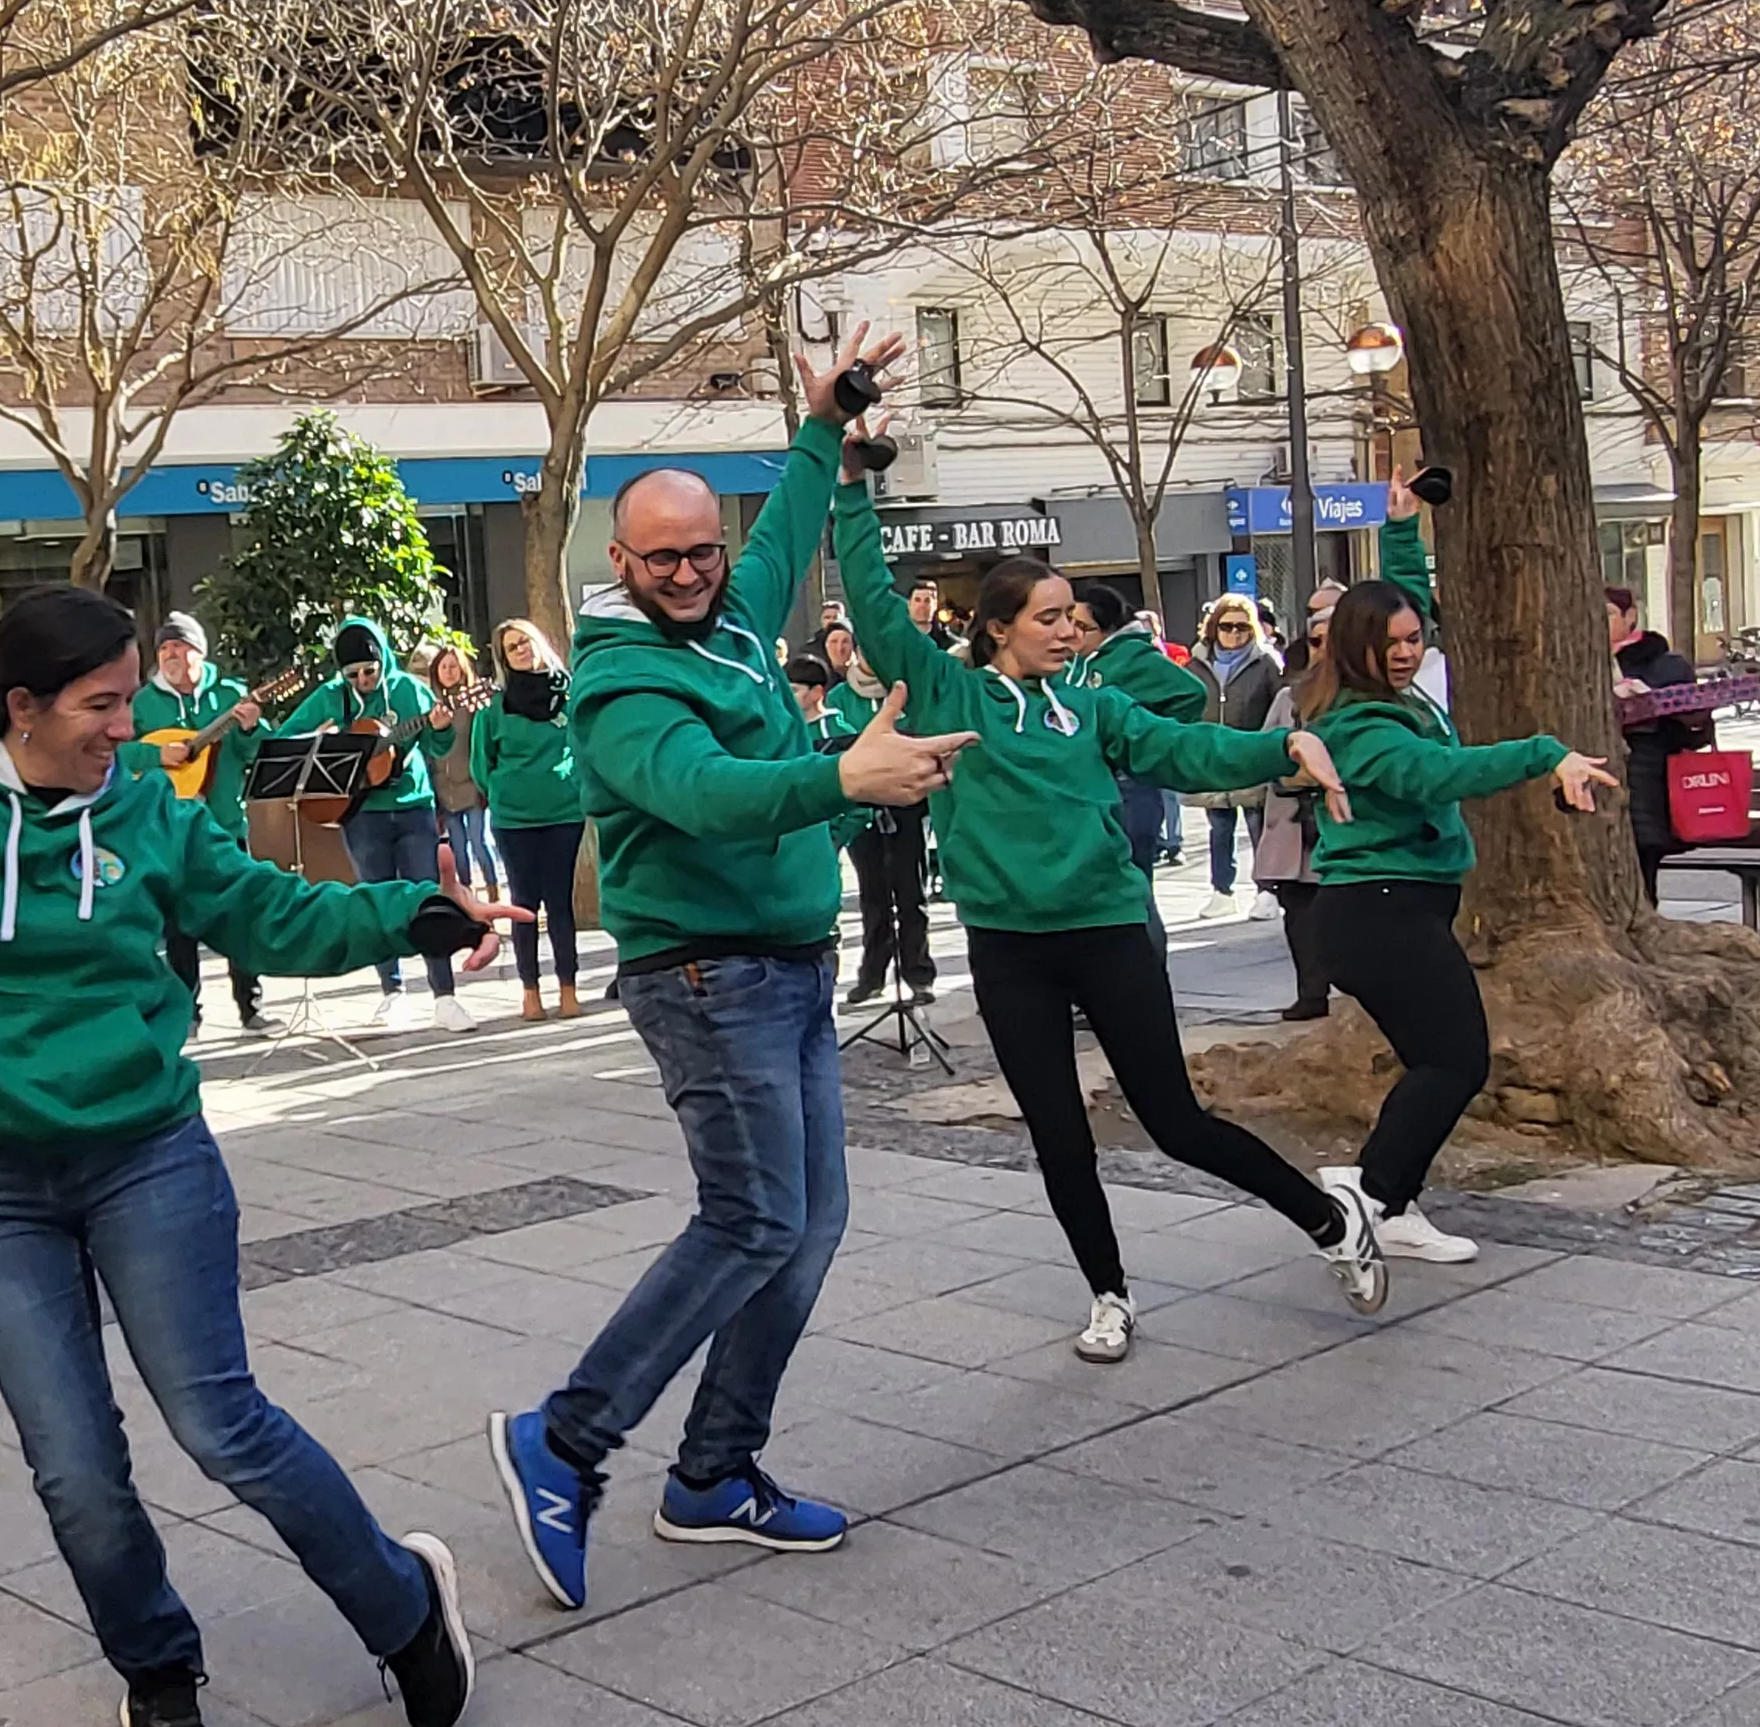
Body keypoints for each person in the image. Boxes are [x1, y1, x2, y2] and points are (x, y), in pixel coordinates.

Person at [0, 422, 503, 1727]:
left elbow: (266, 915)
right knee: (72, 1463)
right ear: (22, 708)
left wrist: (412, 918)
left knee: (220, 1426)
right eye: (104, 706)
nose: (129, 727)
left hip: (146, 1154)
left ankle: (403, 1605)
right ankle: (158, 1673)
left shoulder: (147, 811)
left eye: (131, 701)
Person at [488, 328, 969, 1613]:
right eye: (667, 558)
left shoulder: (735, 609)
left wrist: (821, 422)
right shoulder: (618, 679)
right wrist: (841, 776)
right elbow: (699, 794)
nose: (696, 573)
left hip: (790, 966)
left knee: (807, 1228)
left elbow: (789, 523)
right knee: (754, 1218)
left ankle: (712, 1474)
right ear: (621, 562)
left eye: (705, 551)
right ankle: (567, 1440)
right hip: (707, 979)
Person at [833, 502, 1384, 1364]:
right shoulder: (950, 691)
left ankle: (1325, 1218)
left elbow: (1189, 750)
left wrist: (1287, 751)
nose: (1066, 631)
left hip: (1109, 933)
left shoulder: (1092, 709)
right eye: (1048, 619)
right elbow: (869, 594)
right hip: (1010, 947)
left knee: (1174, 1120)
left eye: (1070, 619)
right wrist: (851, 476)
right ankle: (1109, 1294)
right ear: (997, 628)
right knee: (1057, 1134)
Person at [1302, 485, 1620, 1260]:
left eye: (1415, 638)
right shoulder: (1363, 727)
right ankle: (1369, 1193)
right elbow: (1437, 774)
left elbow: (1402, 598)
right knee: (1457, 1060)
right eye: (1393, 644)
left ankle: (1393, 1198)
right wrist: (1544, 752)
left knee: (1435, 1061)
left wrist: (1404, 525)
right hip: (1377, 913)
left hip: (1398, 909)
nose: (1408, 651)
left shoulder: (1397, 697)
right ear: (1355, 651)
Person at [278, 616, 475, 1030]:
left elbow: (437, 745)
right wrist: (324, 739)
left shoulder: (409, 689)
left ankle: (445, 996)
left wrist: (439, 729)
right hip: (361, 813)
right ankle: (393, 991)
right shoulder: (330, 696)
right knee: (375, 898)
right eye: (354, 674)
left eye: (371, 671)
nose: (365, 679)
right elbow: (288, 739)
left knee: (426, 898)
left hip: (413, 805)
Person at [823, 448, 934, 1003]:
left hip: (905, 803)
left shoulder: (904, 691)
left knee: (908, 890)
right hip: (860, 806)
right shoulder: (841, 696)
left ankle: (918, 971)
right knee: (870, 894)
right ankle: (872, 972)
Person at [125, 613, 272, 1031]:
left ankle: (251, 1005)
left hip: (224, 821)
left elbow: (254, 753)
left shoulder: (230, 694)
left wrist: (250, 727)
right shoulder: (142, 703)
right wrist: (155, 755)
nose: (171, 654)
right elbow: (113, 753)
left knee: (238, 915)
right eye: (164, 648)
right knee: (179, 928)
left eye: (180, 646)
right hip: (167, 826)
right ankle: (186, 1011)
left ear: (199, 652)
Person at [472, 619, 589, 1021]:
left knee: (560, 902)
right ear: (504, 659)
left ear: (540, 642)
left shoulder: (570, 695)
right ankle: (530, 992)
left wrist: (571, 785)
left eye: (525, 642)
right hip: (514, 818)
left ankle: (569, 989)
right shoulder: (494, 706)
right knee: (523, 904)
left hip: (563, 812)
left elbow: (586, 744)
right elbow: (480, 763)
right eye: (511, 648)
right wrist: (509, 791)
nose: (521, 650)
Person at [1072, 582, 1207, 870]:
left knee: (1132, 884)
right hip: (1098, 783)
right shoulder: (1082, 662)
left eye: (1083, 627)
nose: (1072, 633)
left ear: (1106, 629)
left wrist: (1150, 737)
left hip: (1131, 785)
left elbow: (1192, 693)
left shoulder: (1134, 656)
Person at [1253, 599, 1335, 1017]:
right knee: (1300, 914)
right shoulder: (1290, 697)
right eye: (1317, 641)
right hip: (1295, 828)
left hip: (1344, 830)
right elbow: (1265, 753)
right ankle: (1312, 992)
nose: (1324, 650)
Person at [1188, 592, 1283, 918]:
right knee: (1219, 828)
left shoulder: (1266, 662)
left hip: (1253, 755)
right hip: (1214, 756)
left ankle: (1267, 891)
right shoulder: (1197, 662)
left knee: (1259, 826)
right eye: (1226, 626)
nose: (1234, 633)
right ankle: (1221, 890)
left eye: (1242, 627)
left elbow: (1280, 705)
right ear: (1214, 628)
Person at [1610, 586, 1712, 885]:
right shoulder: (1577, 661)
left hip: (1646, 784)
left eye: (1609, 613)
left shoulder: (1663, 664)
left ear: (1631, 616)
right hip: (1596, 785)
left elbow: (1694, 730)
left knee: (1641, 873)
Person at [417, 637, 505, 914]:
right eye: (444, 667)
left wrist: (484, 781)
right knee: (458, 847)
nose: (449, 672)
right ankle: (467, 896)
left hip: (472, 785)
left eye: (454, 666)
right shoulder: (429, 707)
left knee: (480, 842)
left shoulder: (472, 704)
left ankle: (493, 893)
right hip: (444, 791)